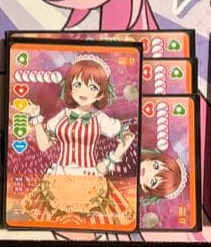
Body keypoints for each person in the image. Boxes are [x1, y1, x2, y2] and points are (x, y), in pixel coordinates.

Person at [19, 54, 136, 226]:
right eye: (78, 85)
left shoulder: (100, 118)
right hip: (60, 176)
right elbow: (44, 145)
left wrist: (108, 162)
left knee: (89, 222)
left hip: (90, 178)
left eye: (92, 87)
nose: (83, 92)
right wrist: (36, 118)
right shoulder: (62, 116)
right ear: (70, 88)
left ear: (100, 94)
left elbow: (128, 136)